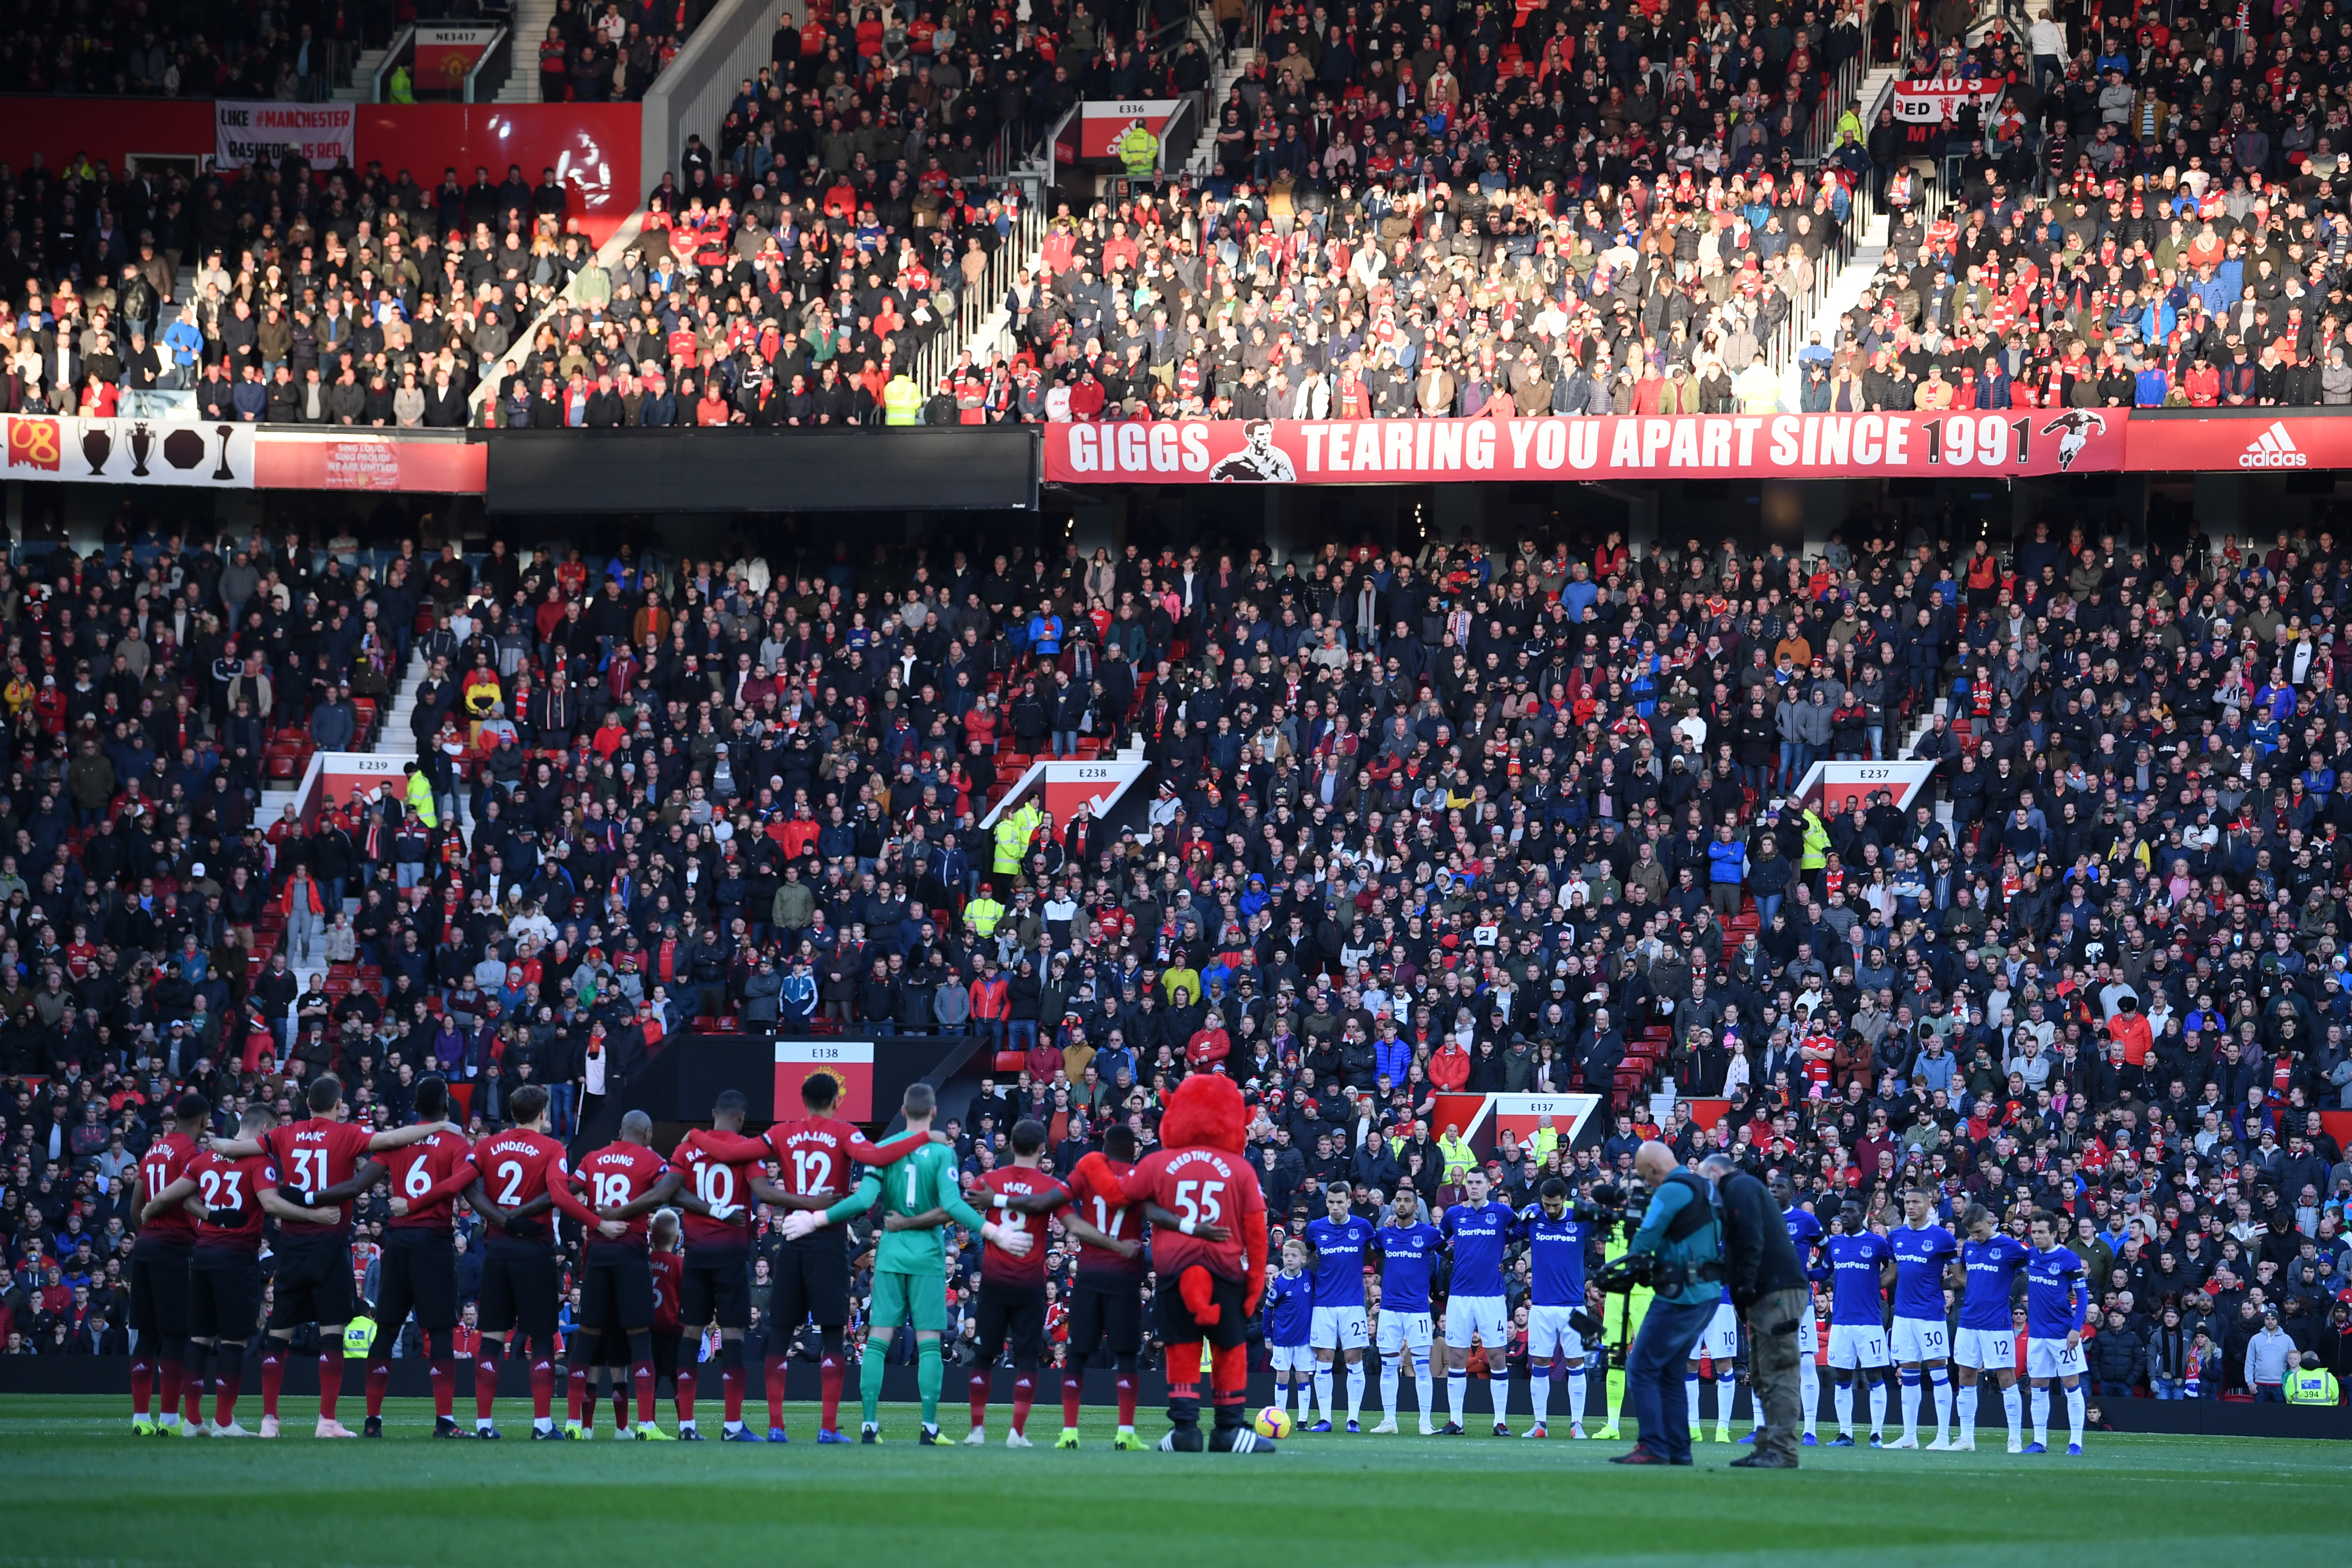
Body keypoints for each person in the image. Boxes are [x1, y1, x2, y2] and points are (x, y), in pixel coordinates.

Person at [208, 1074, 459, 1438]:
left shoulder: (284, 1133)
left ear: (307, 1104)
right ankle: (326, 1421)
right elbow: (389, 1140)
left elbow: (232, 1149)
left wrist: (211, 1141)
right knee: (331, 1334)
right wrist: (439, 1123)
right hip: (330, 1245)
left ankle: (269, 1420)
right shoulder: (348, 1134)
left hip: (292, 1246)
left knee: (278, 1333)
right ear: (339, 1105)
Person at [780, 1082, 1026, 1443]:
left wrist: (815, 1219)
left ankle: (868, 1424)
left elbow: (863, 1198)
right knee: (928, 1341)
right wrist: (995, 1232)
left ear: (903, 1110)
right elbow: (954, 1205)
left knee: (878, 1338)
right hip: (927, 1254)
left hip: (891, 1252)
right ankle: (928, 1427)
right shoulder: (942, 1152)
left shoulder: (882, 1148)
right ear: (934, 1113)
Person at [748, 1072, 935, 1441]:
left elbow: (741, 1153)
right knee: (834, 1334)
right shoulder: (845, 1132)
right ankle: (828, 1428)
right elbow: (878, 1155)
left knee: (780, 1333)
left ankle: (775, 1426)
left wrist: (701, 1137)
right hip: (829, 1244)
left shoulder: (783, 1132)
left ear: (801, 1098)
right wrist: (925, 1134)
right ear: (837, 1100)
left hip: (792, 1241)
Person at [1113, 1072, 1275, 1452]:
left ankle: (1184, 1429)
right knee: (1229, 1350)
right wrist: (1254, 1284)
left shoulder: (1158, 1162)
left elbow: (1123, 1197)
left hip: (1173, 1272)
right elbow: (1257, 1233)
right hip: (1225, 1271)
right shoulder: (1241, 1169)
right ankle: (1229, 1430)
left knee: (1181, 1348)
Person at [143, 1104, 313, 1437]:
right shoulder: (260, 1161)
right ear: (265, 1128)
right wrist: (314, 1215)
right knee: (234, 1341)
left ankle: (192, 1421)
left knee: (199, 1340)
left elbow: (174, 1197)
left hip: (203, 1253)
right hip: (236, 1257)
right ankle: (223, 1421)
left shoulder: (204, 1158)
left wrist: (202, 1216)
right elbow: (272, 1204)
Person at [947, 1116, 1116, 1445]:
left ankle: (977, 1430)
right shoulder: (1050, 1187)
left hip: (994, 1281)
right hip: (1029, 1284)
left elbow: (957, 1207)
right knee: (1026, 1357)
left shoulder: (990, 1179)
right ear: (1043, 1150)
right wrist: (1115, 1245)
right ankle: (1016, 1432)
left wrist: (989, 1228)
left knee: (983, 1356)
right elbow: (1076, 1228)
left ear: (1009, 1145)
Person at [552, 1109, 685, 1440]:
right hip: (631, 1252)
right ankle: (645, 1425)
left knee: (587, 1337)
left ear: (620, 1130)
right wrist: (623, 1213)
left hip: (597, 1253)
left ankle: (572, 1423)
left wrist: (595, 1221)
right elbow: (664, 1192)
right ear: (648, 1133)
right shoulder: (651, 1160)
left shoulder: (593, 1157)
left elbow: (566, 1194)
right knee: (639, 1337)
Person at [359, 1075, 476, 1438]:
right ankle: (444, 1420)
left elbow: (366, 1178)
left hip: (399, 1244)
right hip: (434, 1240)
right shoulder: (455, 1141)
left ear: (414, 1106)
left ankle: (372, 1420)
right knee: (440, 1330)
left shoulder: (398, 1140)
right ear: (445, 1105)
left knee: (386, 1328)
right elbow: (460, 1183)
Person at [662, 1089, 781, 1440]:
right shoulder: (747, 1151)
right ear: (741, 1117)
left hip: (697, 1253)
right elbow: (763, 1189)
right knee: (733, 1336)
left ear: (714, 1112)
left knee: (690, 1333)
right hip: (731, 1255)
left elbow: (671, 1190)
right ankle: (731, 1426)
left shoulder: (686, 1149)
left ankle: (686, 1425)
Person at [1609, 1140, 1725, 1466]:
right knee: (1672, 1371)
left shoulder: (1669, 1191)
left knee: (1640, 1365)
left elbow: (1643, 1241)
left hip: (1679, 1295)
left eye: (1647, 1177)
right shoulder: (1705, 1188)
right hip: (1707, 1291)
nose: (1648, 1183)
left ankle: (1652, 1446)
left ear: (1654, 1170)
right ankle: (1678, 1450)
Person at [1697, 1152, 1809, 1469]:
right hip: (1767, 1291)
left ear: (1716, 1172)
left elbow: (1748, 1237)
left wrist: (1742, 1285)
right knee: (1762, 1374)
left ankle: (1783, 1450)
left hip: (1776, 1290)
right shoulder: (1741, 1190)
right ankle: (1767, 1445)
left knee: (1779, 1370)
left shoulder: (1740, 1187)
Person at [1043, 1123, 1150, 1447]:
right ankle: (1126, 1433)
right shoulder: (1139, 1176)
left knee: (1077, 1353)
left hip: (1088, 1273)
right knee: (1127, 1356)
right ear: (1133, 1149)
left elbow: (1059, 1199)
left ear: (1104, 1148)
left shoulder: (1088, 1171)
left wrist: (1071, 1222)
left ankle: (1069, 1431)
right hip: (1125, 1276)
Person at [125, 1092, 210, 1435]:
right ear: (203, 1122)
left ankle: (140, 1419)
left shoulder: (152, 1151)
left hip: (145, 1246)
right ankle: (170, 1420)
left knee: (146, 1333)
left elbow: (136, 1206)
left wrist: (147, 1234)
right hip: (176, 1248)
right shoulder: (191, 1153)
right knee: (175, 1334)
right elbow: (190, 1202)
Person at [1437, 1167, 1518, 1435]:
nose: (1473, 1187)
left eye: (1478, 1183)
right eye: (1470, 1182)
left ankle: (1500, 1422)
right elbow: (1438, 1240)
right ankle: (1456, 1422)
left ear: (1488, 1186)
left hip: (1491, 1297)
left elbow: (1519, 1231)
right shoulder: (1454, 1214)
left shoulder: (1502, 1213)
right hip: (1459, 1295)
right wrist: (1456, 1260)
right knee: (1458, 1356)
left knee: (1497, 1356)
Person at [1515, 1177, 1592, 1440]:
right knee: (1540, 1363)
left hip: (1574, 1306)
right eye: (1546, 1204)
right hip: (1542, 1306)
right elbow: (1510, 1234)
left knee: (1576, 1362)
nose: (1550, 1209)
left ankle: (1577, 1424)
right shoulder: (1535, 1219)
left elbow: (1612, 1231)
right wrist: (1521, 1217)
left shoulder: (1580, 1219)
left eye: (1555, 1204)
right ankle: (1540, 1424)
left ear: (1564, 1200)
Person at [1887, 1185, 1961, 1450]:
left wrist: (1946, 1286)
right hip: (1903, 1315)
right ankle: (1909, 1437)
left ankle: (1943, 1437)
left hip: (1930, 1315)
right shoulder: (1896, 1236)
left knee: (1939, 1373)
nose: (1911, 1206)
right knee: (1908, 1375)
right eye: (1907, 1202)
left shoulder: (1943, 1238)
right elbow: (1892, 1275)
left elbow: (1960, 1276)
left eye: (1916, 1202)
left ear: (1929, 1206)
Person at [1953, 1203, 2030, 1453]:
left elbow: (2029, 1273)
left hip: (1997, 1324)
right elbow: (1967, 1277)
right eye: (1971, 1233)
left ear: (1990, 1222)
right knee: (1965, 1376)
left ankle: (2015, 1439)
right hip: (1968, 1321)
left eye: (1978, 1231)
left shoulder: (2011, 1248)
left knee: (2006, 1377)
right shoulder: (1971, 1247)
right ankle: (1966, 1439)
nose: (1975, 1237)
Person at [1302, 1183, 1374, 1432]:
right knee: (1324, 1359)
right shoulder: (1316, 1228)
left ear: (1349, 1202)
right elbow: (1306, 1255)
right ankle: (1325, 1419)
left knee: (1354, 1359)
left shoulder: (1363, 1227)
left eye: (1339, 1202)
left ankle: (1353, 1419)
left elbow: (1377, 1251)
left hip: (1353, 1304)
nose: (1335, 1207)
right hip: (1323, 1304)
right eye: (1331, 1202)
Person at [1822, 1200, 1893, 1446]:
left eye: (1850, 1211)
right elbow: (1823, 1272)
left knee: (1874, 1376)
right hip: (1841, 1321)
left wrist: (1876, 1287)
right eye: (1841, 1211)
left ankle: (1877, 1434)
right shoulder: (1835, 1243)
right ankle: (1846, 1433)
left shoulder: (1877, 1242)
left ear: (1863, 1215)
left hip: (1869, 1322)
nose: (1844, 1215)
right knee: (1842, 1376)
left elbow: (1893, 1270)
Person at [2023, 1209, 2091, 1454]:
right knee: (2038, 1385)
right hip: (2037, 1334)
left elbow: (2082, 1297)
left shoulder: (2069, 1259)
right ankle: (2039, 1442)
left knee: (2071, 1384)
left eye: (2042, 1233)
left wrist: (2076, 1329)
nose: (2036, 1237)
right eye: (2034, 1232)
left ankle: (2076, 1443)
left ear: (2054, 1233)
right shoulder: (2030, 1255)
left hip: (2063, 1334)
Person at [1262, 1239, 1316, 1433]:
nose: (1290, 1259)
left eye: (1294, 1256)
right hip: (1283, 1339)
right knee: (1283, 1376)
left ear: (1303, 1259)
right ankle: (1280, 1417)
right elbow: (1268, 1311)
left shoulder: (1310, 1278)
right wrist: (1268, 1338)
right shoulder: (1280, 1283)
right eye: (1286, 1256)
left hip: (1304, 1339)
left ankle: (1303, 1421)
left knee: (1303, 1377)